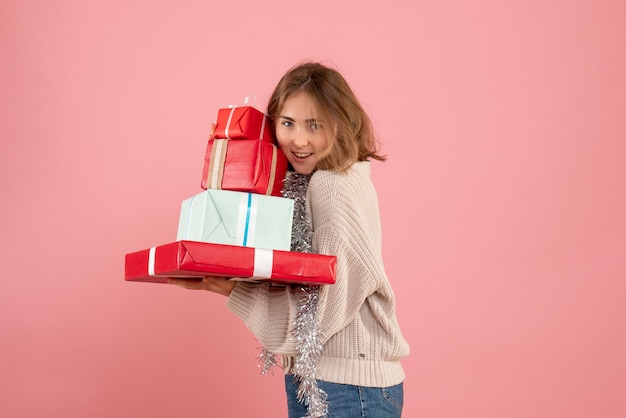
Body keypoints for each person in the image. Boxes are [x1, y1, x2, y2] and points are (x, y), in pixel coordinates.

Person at [169, 62, 410, 418]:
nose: (299, 140)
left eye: (315, 125)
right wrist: (240, 148)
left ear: (341, 124)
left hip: (348, 388)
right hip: (325, 381)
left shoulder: (334, 187)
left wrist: (228, 289)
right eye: (287, 124)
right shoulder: (308, 183)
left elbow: (320, 317)